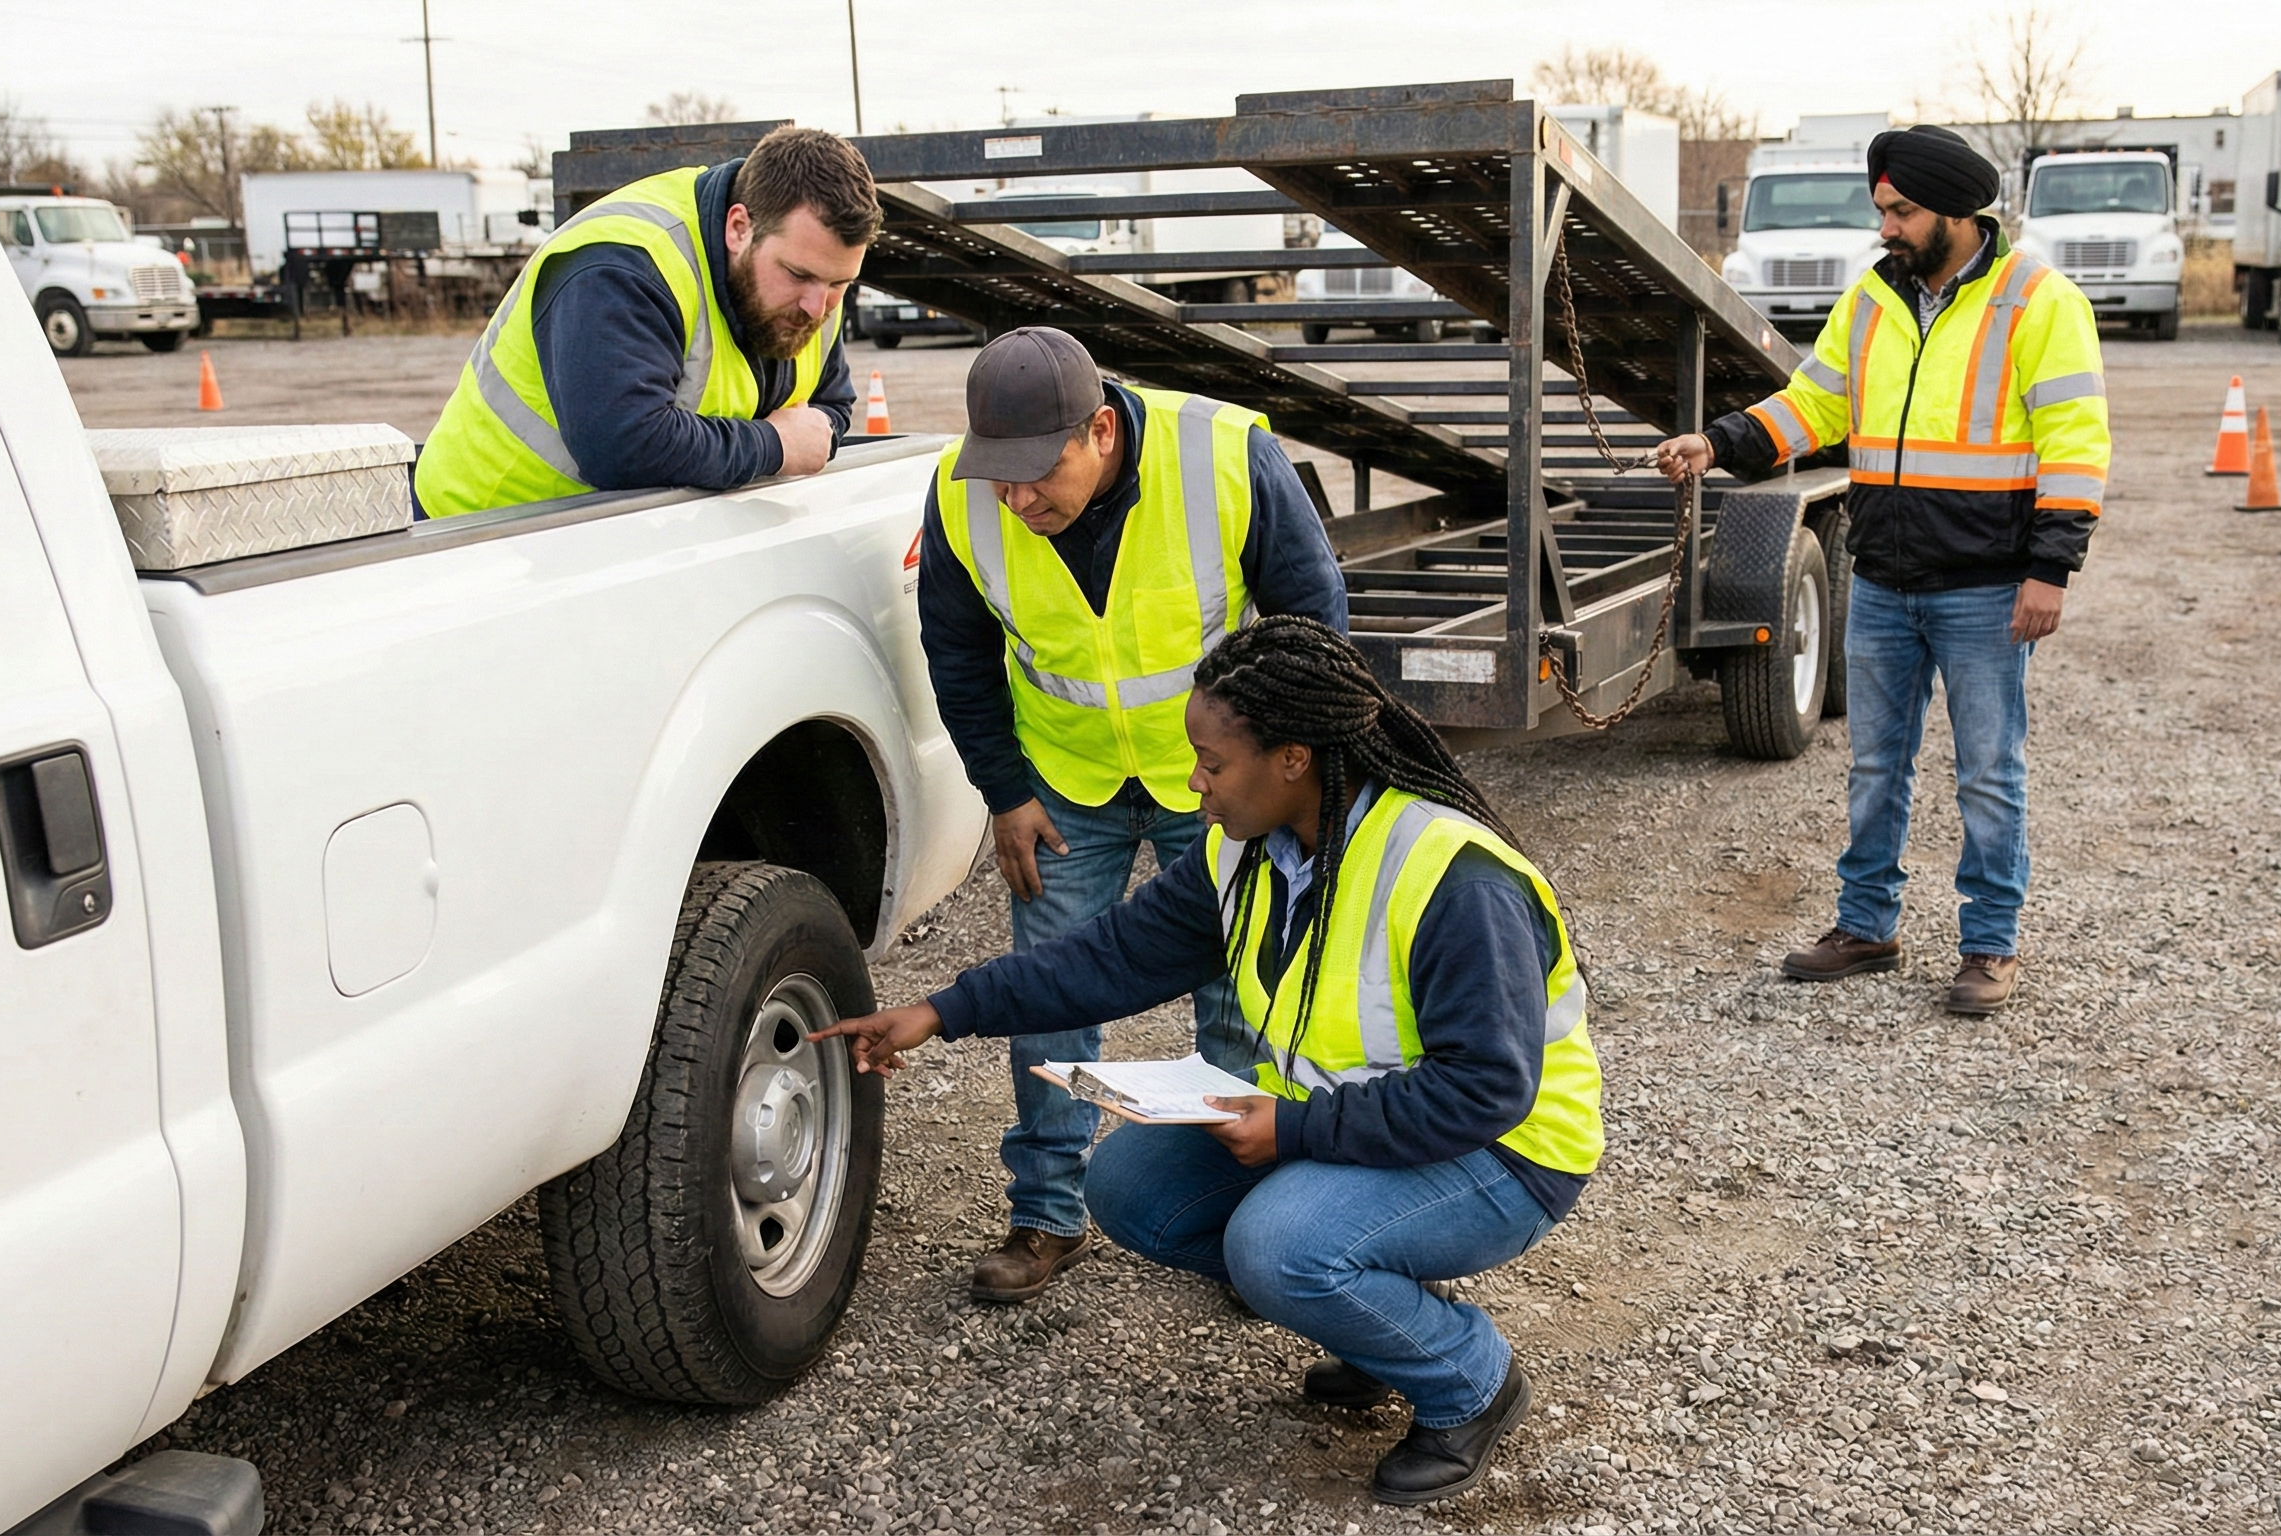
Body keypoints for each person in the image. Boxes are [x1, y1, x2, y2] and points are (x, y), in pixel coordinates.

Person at [815, 616, 1600, 1506]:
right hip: (1371, 1129)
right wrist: (941, 1011)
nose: (1195, 787)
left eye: (1212, 764)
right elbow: (1107, 958)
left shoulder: (1453, 875)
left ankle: (1470, 1379)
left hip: (1504, 1154)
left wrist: (1296, 1129)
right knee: (1132, 1187)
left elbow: (1489, 1086)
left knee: (1277, 1247)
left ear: (1294, 758)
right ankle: (1380, 1329)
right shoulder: (1249, 850)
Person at [916, 326, 1347, 1304]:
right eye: (1001, 481)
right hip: (1064, 784)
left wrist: (1289, 789)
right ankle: (1045, 1215)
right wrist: (1004, 792)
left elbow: (1314, 618)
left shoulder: (1227, 455)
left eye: (1037, 476)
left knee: (1239, 1002)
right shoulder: (959, 494)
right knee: (1047, 994)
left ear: (1100, 429)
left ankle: (1227, 1206)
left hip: (1220, 789)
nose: (1017, 503)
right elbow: (957, 649)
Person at [1653, 124, 2110, 1016]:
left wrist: (2051, 569)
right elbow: (1817, 402)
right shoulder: (1872, 298)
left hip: (1985, 585)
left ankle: (1989, 946)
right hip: (1886, 580)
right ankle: (1867, 926)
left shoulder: (2038, 301)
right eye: (1883, 212)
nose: (1887, 227)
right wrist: (1718, 442)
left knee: (1987, 771)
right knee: (1874, 768)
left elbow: (2075, 442)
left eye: (1901, 211)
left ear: (1956, 209)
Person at [412, 127, 877, 517]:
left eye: (841, 283)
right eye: (799, 275)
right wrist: (773, 446)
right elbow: (623, 445)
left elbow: (828, 408)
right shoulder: (623, 264)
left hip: (618, 541)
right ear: (739, 228)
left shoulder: (813, 289)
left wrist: (781, 443)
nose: (819, 307)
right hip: (482, 537)